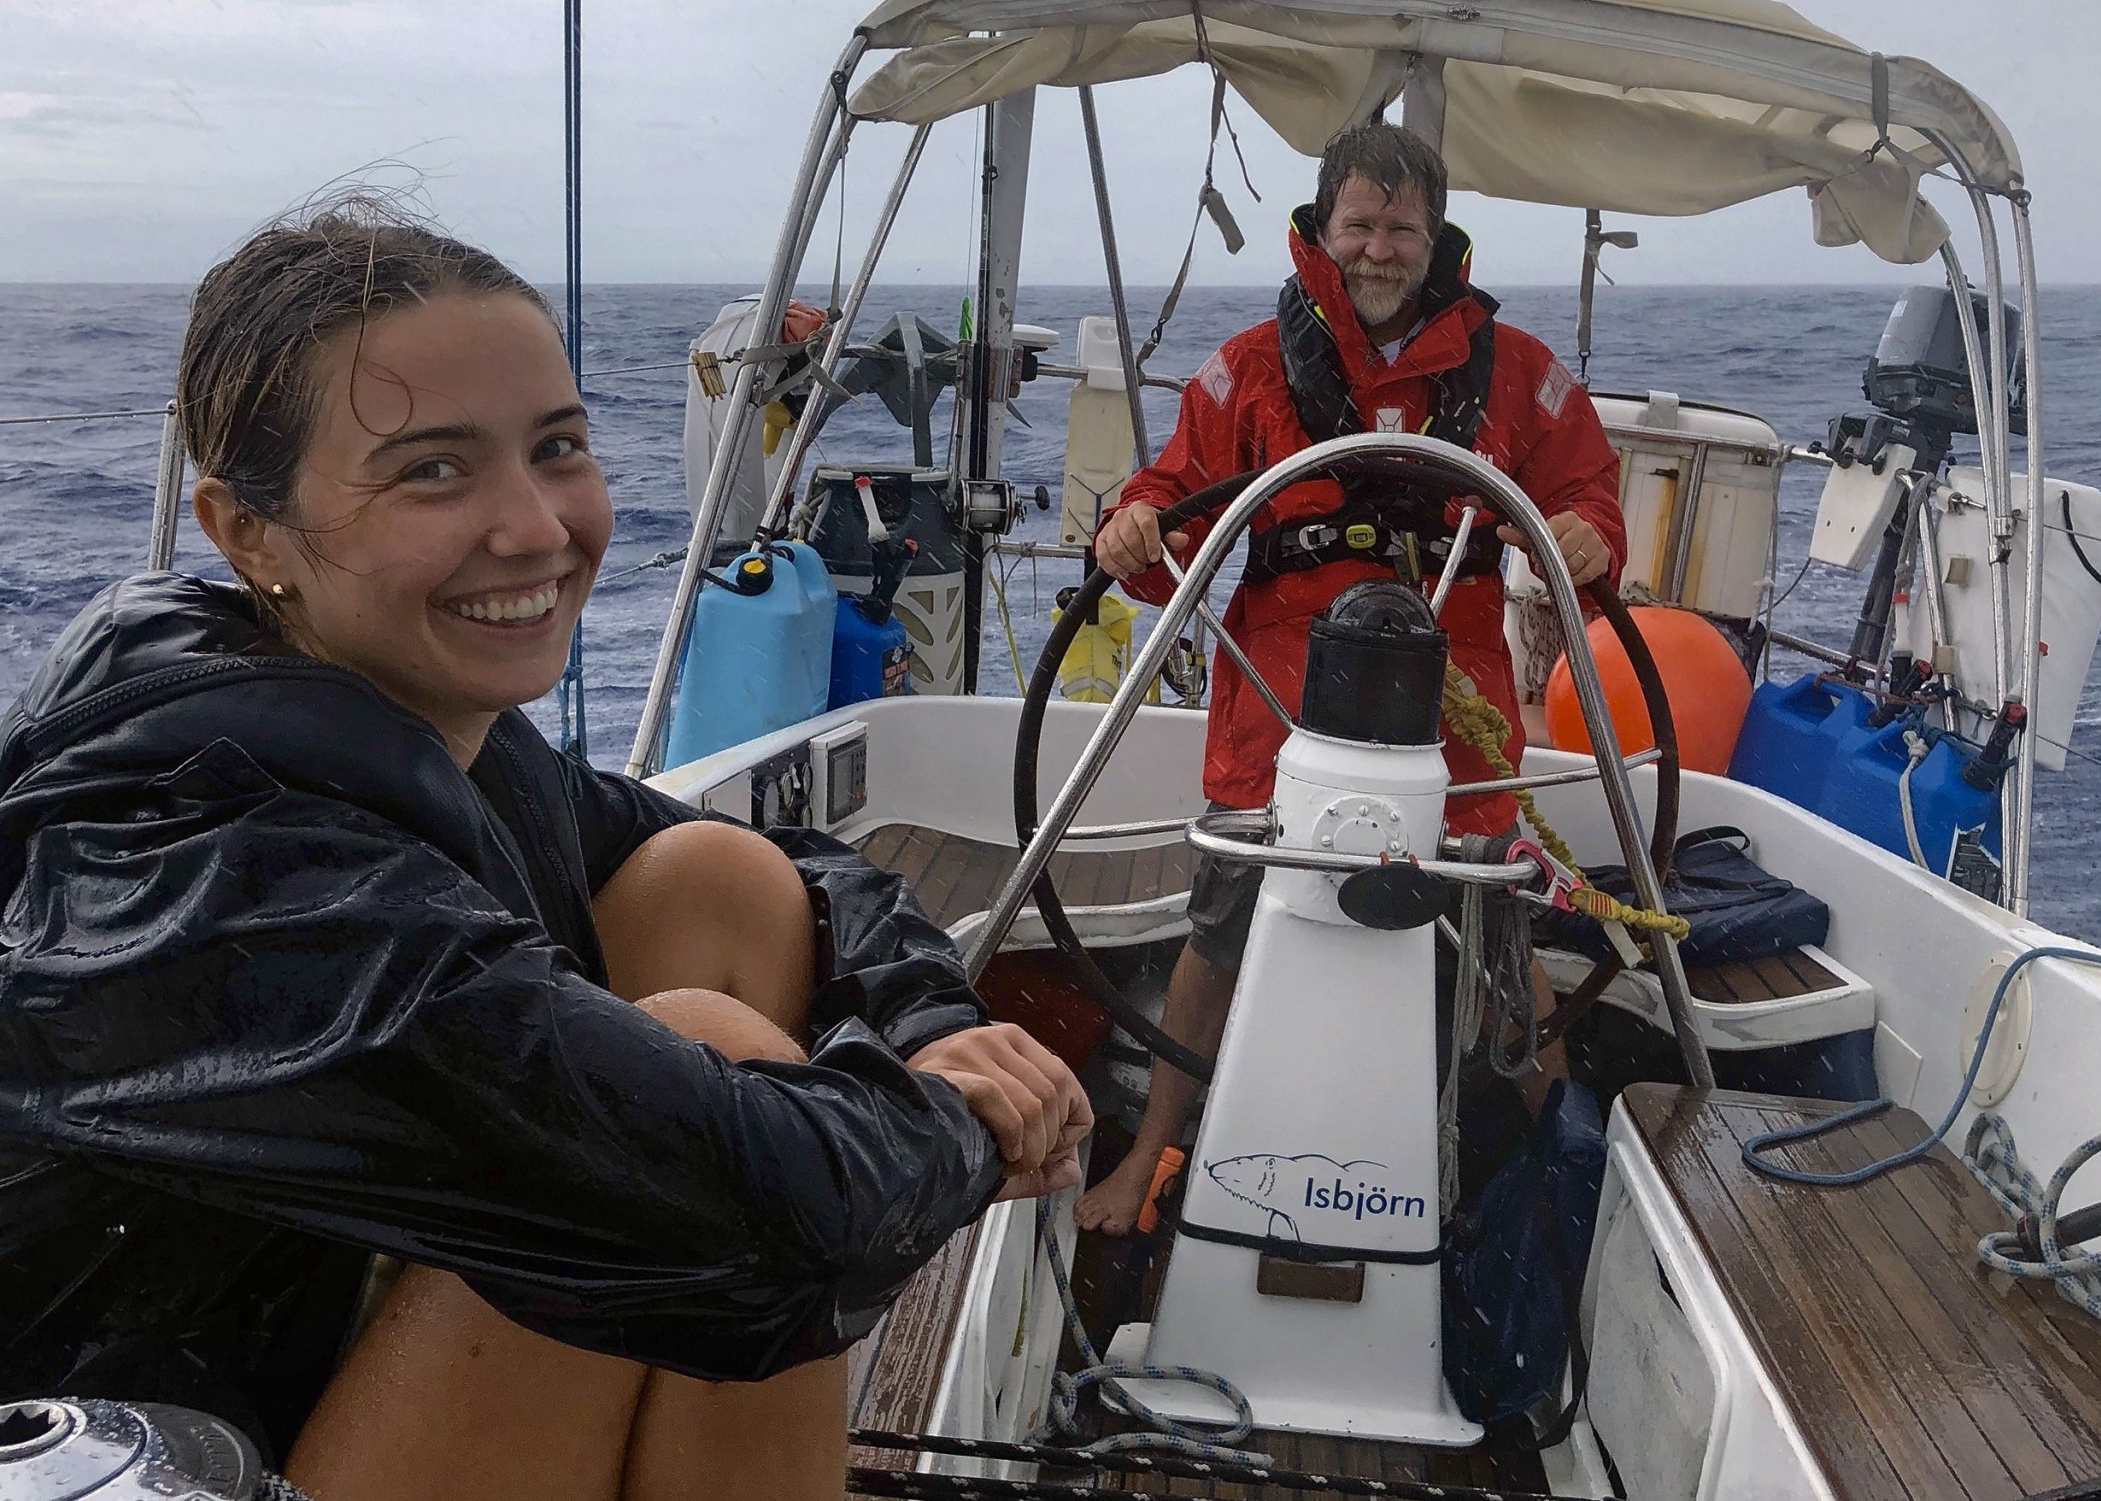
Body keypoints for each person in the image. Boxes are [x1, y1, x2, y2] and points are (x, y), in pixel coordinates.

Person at [0, 201, 1091, 1501]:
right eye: (432, 469)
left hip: (294, 1369)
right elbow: (773, 1217)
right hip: (166, 1450)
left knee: (720, 888)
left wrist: (923, 1030)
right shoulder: (187, 880)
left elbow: (789, 868)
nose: (535, 527)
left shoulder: (409, 719)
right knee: (707, 1101)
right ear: (248, 532)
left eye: (556, 446)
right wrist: (964, 1118)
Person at [1073, 123, 1628, 1236]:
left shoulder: (1516, 373)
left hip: (1452, 690)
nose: (1380, 250)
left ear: (1437, 237)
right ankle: (1149, 1157)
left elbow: (1589, 494)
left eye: (1401, 228)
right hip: (1279, 681)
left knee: (1498, 922)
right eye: (1360, 226)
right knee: (1223, 917)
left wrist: (1581, 535)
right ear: (1323, 230)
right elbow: (1169, 498)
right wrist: (1130, 528)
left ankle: (1585, 1180)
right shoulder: (1246, 369)